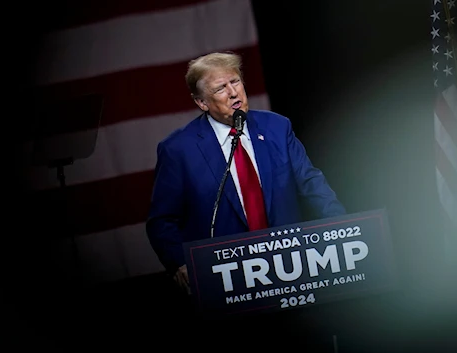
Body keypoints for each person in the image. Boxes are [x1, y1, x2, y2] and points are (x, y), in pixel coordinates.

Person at [146, 52, 346, 295]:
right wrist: (180, 262)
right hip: (226, 279)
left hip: (291, 267)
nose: (233, 93)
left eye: (235, 81)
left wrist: (341, 228)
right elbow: (162, 220)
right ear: (201, 102)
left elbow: (311, 183)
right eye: (221, 88)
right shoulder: (178, 149)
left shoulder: (277, 127)